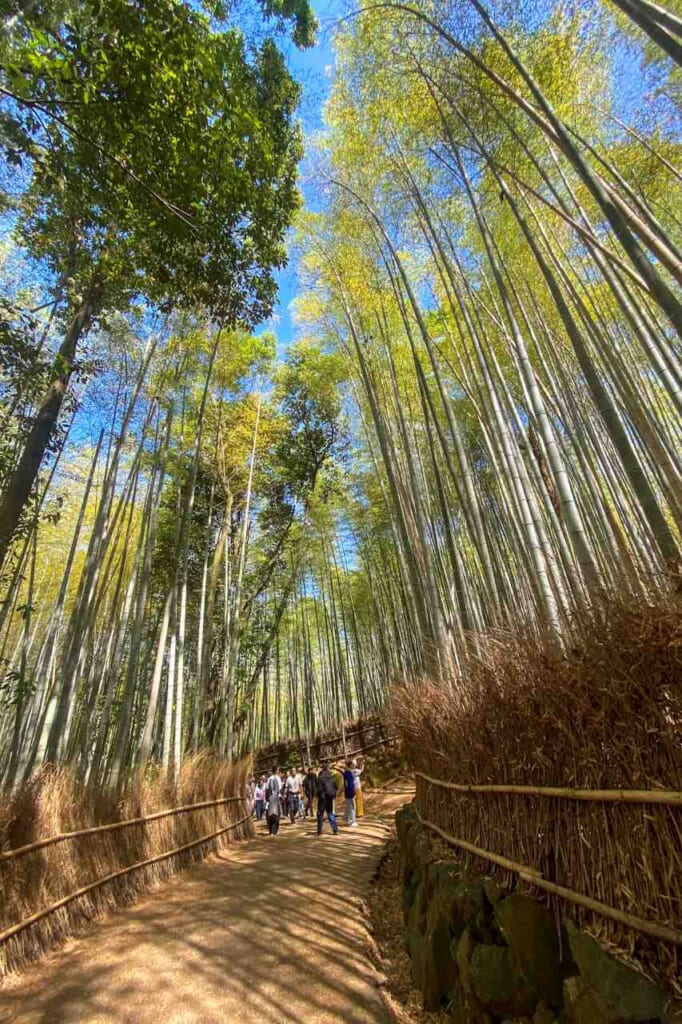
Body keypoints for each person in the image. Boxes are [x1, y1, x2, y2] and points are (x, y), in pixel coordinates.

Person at [316, 760, 339, 835]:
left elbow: (319, 789)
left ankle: (319, 831)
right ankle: (335, 829)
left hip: (322, 798)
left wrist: (318, 796)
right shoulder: (331, 777)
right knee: (330, 813)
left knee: (320, 814)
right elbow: (336, 786)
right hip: (330, 797)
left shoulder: (320, 777)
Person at [265, 766, 282, 835]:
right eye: (278, 770)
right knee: (273, 815)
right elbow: (268, 789)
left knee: (274, 814)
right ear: (276, 770)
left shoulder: (275, 778)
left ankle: (274, 830)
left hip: (274, 798)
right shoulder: (272, 779)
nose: (278, 771)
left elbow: (279, 789)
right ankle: (272, 830)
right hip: (273, 798)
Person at [342, 759, 357, 827]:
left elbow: (346, 784)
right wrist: (352, 792)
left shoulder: (348, 773)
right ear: (350, 765)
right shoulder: (348, 773)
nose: (353, 766)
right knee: (352, 807)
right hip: (350, 792)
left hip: (348, 792)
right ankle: (351, 821)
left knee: (348, 806)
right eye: (352, 765)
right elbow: (347, 784)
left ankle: (346, 818)